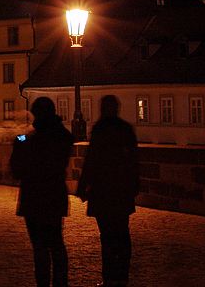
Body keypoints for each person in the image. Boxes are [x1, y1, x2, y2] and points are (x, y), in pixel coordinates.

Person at [10, 96, 74, 287]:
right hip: (54, 195)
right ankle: (61, 282)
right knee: (56, 243)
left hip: (34, 196)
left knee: (40, 246)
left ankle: (43, 283)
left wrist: (19, 139)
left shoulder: (30, 138)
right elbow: (66, 139)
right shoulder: (61, 136)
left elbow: (17, 168)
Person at [76, 95, 140, 287]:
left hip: (103, 190)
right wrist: (134, 185)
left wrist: (83, 186)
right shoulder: (125, 129)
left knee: (107, 236)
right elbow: (133, 161)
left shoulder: (100, 129)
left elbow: (91, 160)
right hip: (121, 190)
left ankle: (110, 276)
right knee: (122, 233)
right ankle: (122, 275)